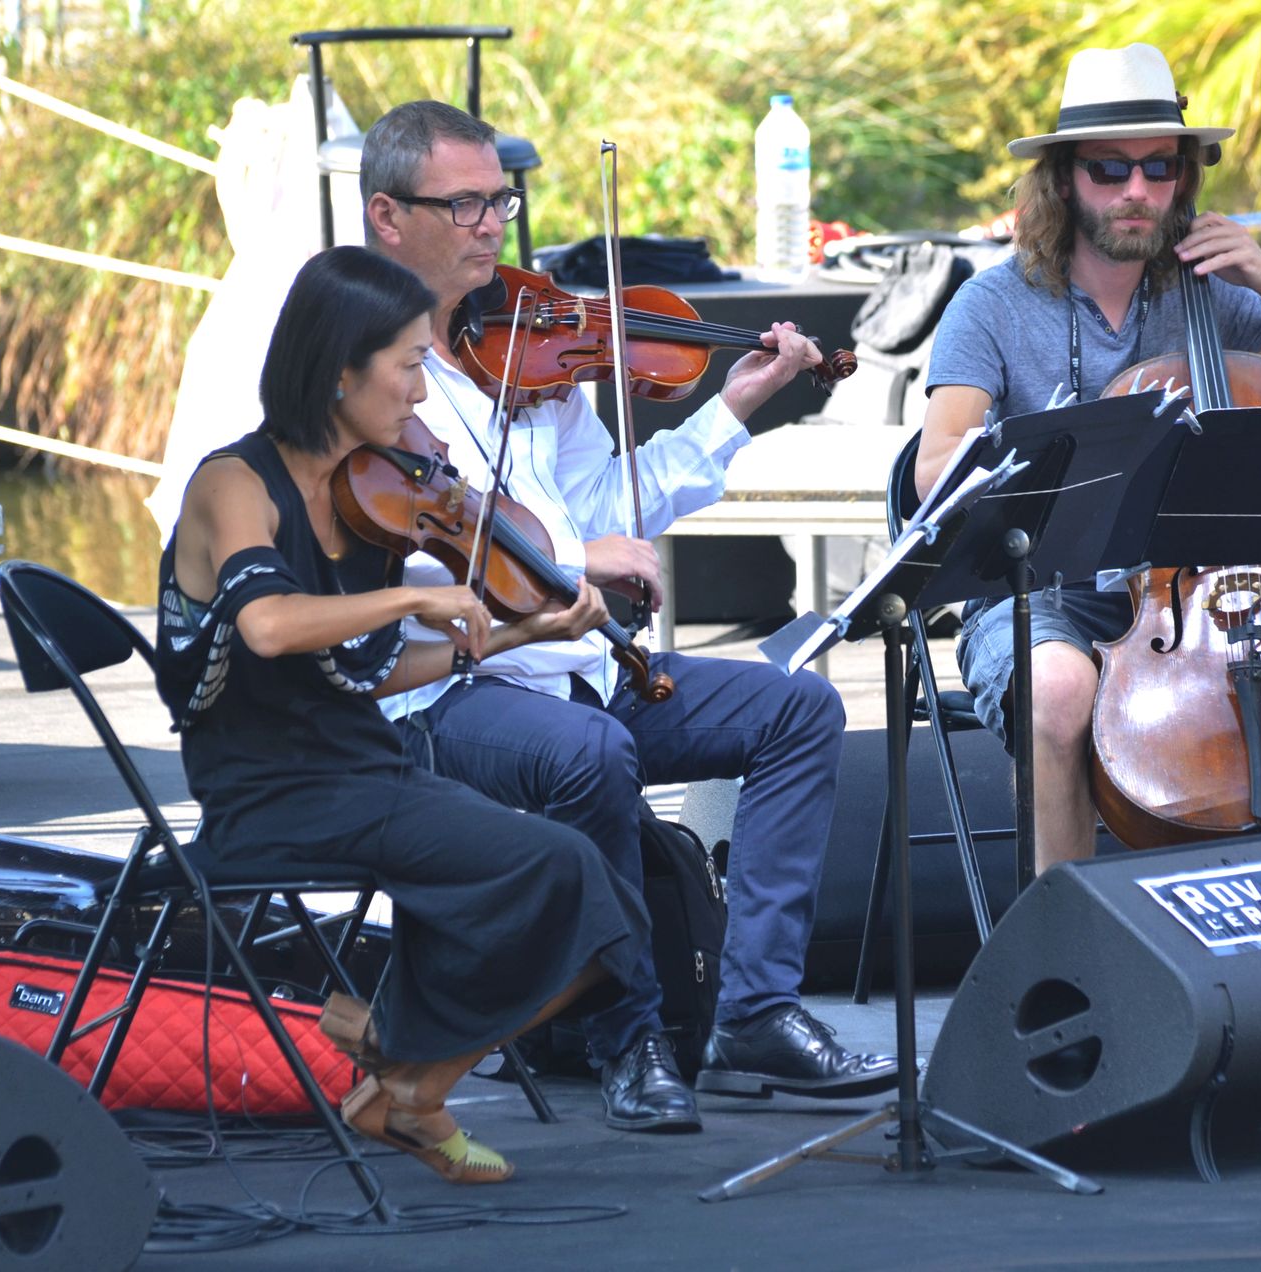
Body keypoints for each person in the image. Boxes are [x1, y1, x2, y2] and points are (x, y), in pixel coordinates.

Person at [361, 100, 896, 1134]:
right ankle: (627, 1031)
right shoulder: (356, 361)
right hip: (450, 684)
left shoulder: (530, 350)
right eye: (463, 203)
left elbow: (608, 508)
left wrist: (736, 405)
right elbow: (399, 530)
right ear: (389, 216)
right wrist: (570, 561)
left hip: (583, 670)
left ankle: (755, 1013)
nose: (490, 225)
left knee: (796, 712)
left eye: (499, 200)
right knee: (587, 754)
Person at [156, 245, 651, 1183]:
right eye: (411, 364)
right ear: (341, 371)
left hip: (364, 768)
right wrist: (408, 598)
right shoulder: (232, 485)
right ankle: (401, 1066)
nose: (423, 395)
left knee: (597, 900)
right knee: (562, 871)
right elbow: (267, 628)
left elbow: (367, 673)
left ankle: (410, 1081)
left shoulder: (370, 497)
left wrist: (518, 632)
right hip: (267, 791)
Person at [916, 45, 1261, 875]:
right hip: (1041, 593)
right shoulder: (992, 303)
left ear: (1184, 179)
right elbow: (935, 464)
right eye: (1109, 169)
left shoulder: (1215, 296)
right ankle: (1066, 951)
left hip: (1198, 593)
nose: (1137, 190)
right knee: (1059, 693)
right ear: (1063, 179)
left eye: (1160, 167)